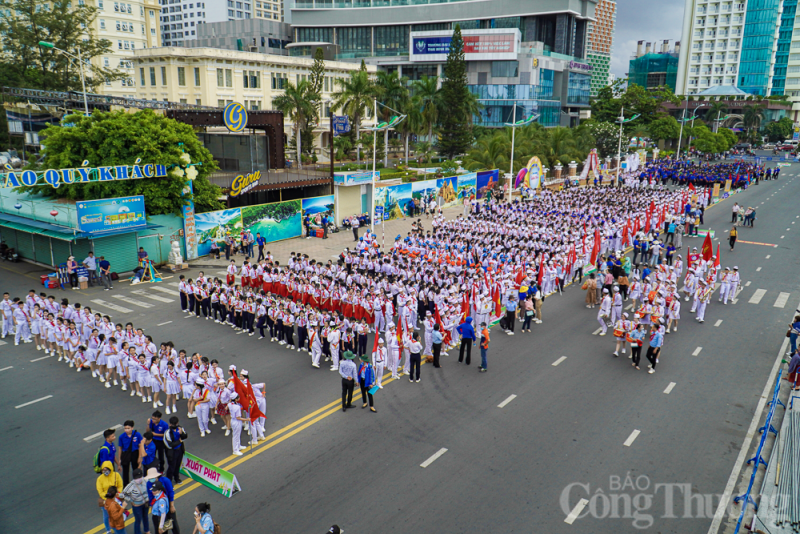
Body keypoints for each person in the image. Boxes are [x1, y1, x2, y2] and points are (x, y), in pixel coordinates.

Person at [97, 461, 123, 534]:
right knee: (106, 516)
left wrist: (117, 495)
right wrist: (108, 498)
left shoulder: (116, 475)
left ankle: (117, 528)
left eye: (106, 470)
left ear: (110, 468)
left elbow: (120, 486)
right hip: (106, 501)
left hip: (116, 499)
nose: (105, 471)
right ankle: (108, 530)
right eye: (103, 470)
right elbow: (100, 491)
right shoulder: (100, 479)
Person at [122, 468, 149, 534]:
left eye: (140, 477)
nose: (138, 479)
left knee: (145, 517)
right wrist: (130, 500)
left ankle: (147, 530)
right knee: (138, 520)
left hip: (146, 503)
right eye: (137, 478)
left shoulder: (146, 481)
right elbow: (123, 494)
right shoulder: (131, 485)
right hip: (137, 506)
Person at [118, 421, 143, 487]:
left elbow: (140, 446)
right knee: (125, 472)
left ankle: (137, 484)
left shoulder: (137, 435)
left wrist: (139, 457)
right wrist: (120, 459)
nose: (126, 430)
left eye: (128, 428)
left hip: (135, 453)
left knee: (136, 469)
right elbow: (120, 448)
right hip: (125, 454)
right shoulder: (121, 437)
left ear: (132, 428)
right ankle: (126, 486)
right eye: (125, 428)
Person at [164, 416, 187, 484]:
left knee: (177, 465)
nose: (174, 426)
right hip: (172, 452)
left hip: (180, 450)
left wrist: (181, 433)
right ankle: (169, 481)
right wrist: (179, 441)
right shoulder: (167, 432)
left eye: (175, 424)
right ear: (170, 424)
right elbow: (170, 444)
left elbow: (185, 437)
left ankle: (176, 478)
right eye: (172, 424)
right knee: (171, 467)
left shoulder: (180, 428)